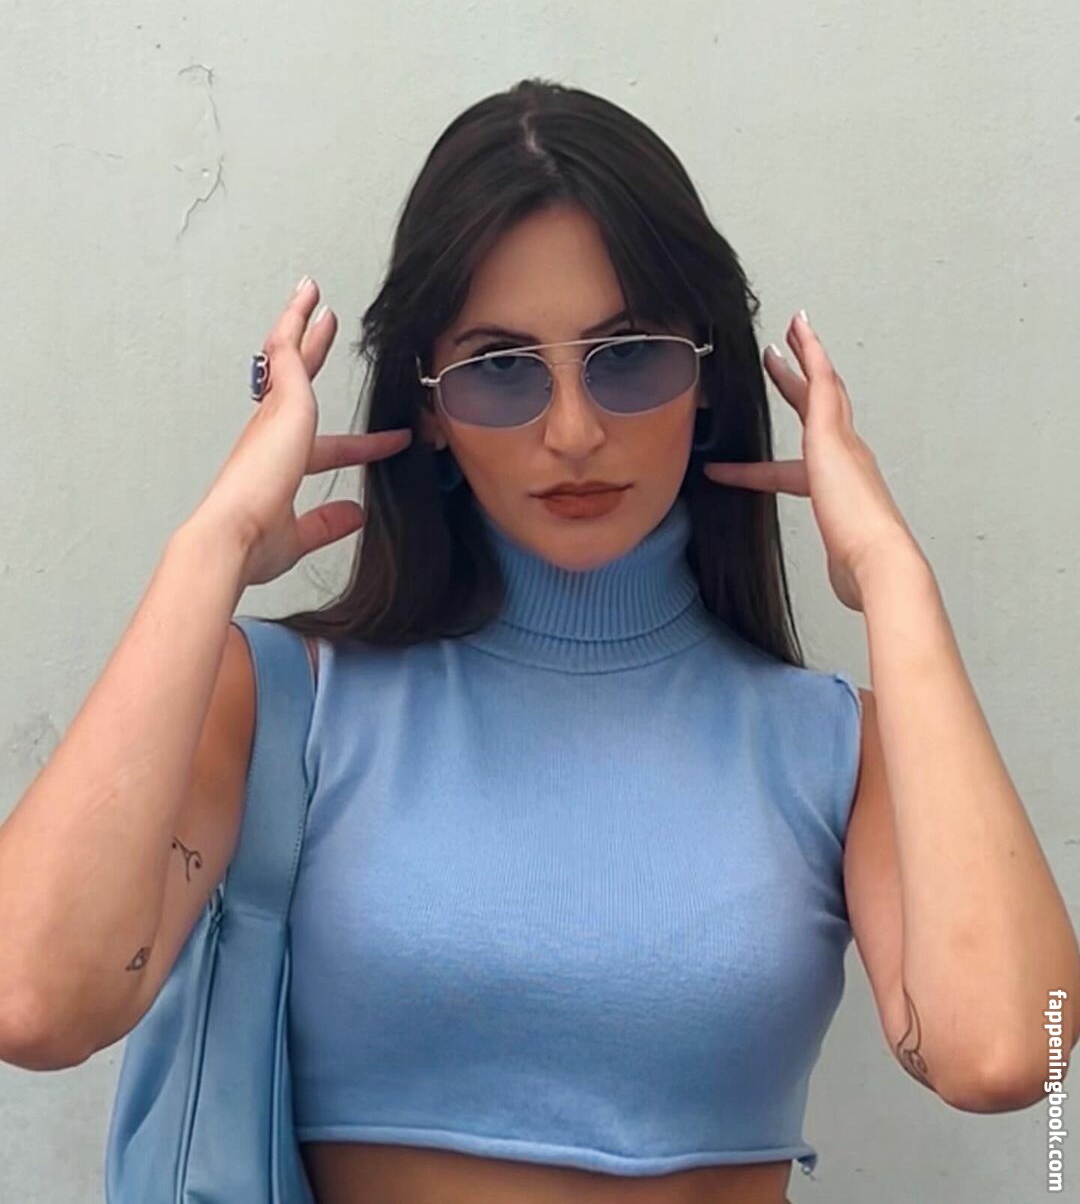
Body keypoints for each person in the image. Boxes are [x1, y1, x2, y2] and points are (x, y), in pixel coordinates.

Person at [1, 78, 1077, 1204]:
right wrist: (210, 546)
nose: (572, 430)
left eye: (631, 356)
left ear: (708, 378)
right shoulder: (287, 708)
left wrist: (896, 582)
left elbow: (1012, 1051)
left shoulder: (833, 748)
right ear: (428, 407)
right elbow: (32, 1002)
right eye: (501, 370)